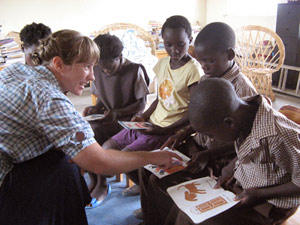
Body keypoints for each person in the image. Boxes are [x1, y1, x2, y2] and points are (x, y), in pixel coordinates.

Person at [0, 29, 181, 225]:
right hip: (12, 179)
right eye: (86, 67)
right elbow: (99, 162)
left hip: (14, 160)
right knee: (73, 164)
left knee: (72, 159)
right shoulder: (50, 99)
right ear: (58, 64)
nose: (93, 77)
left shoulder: (15, 70)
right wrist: (155, 156)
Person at [137, 22, 258, 223]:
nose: (203, 67)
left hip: (221, 159)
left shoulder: (243, 92)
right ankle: (154, 216)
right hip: (199, 148)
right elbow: (202, 116)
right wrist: (182, 134)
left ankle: (167, 214)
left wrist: (208, 155)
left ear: (229, 55)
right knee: (149, 167)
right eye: (200, 62)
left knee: (166, 183)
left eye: (209, 61)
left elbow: (247, 142)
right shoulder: (207, 78)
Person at [167, 78, 300, 225]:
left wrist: (259, 194)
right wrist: (230, 168)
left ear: (229, 123)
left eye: (211, 135)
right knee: (181, 207)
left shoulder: (278, 135)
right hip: (245, 188)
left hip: (271, 204)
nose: (211, 139)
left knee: (192, 219)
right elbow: (252, 152)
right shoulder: (241, 112)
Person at [102, 15, 202, 196]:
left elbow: (194, 111)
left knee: (124, 157)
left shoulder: (193, 70)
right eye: (169, 44)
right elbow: (159, 99)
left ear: (190, 40)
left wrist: (164, 130)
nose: (174, 50)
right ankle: (143, 184)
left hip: (167, 130)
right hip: (150, 125)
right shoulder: (163, 64)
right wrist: (144, 116)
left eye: (180, 44)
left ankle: (148, 191)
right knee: (107, 148)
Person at [83, 33, 150, 208]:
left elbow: (141, 104)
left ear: (120, 58)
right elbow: (101, 98)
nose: (105, 72)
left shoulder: (135, 70)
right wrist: (96, 108)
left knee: (96, 131)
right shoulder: (97, 68)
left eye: (109, 68)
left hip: (128, 120)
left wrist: (118, 112)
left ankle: (102, 184)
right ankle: (96, 179)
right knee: (85, 129)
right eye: (102, 68)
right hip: (110, 117)